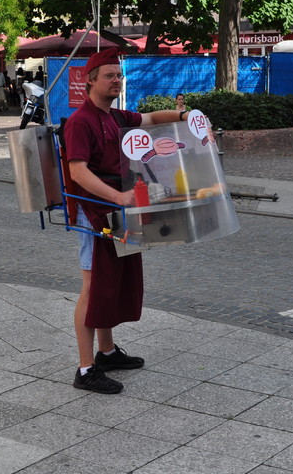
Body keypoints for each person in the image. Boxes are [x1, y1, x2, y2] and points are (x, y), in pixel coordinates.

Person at [63, 47, 187, 394]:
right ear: (90, 80)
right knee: (93, 286)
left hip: (118, 212)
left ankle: (107, 352)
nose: (116, 80)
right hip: (94, 213)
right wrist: (118, 197)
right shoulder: (81, 121)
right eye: (109, 75)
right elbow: (77, 171)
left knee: (112, 282)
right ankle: (86, 369)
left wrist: (182, 116)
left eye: (119, 75)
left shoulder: (117, 118)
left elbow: (149, 119)